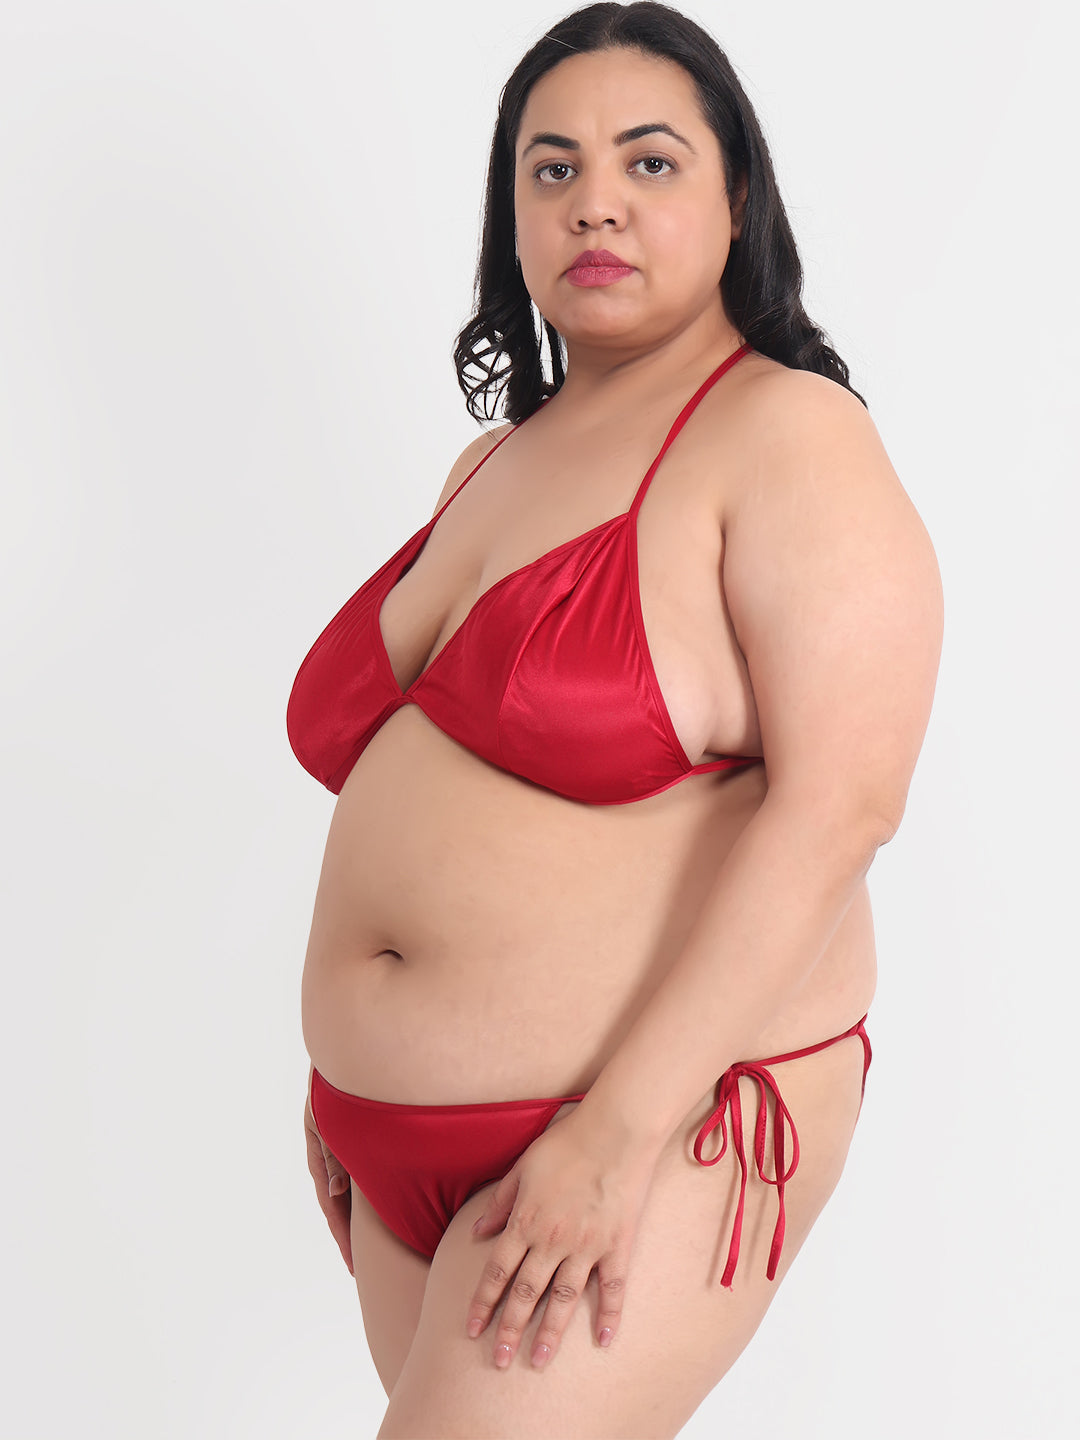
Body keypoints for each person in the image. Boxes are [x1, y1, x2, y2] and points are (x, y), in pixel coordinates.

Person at [289, 3, 943, 1435]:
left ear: (737, 198)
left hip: (658, 1123)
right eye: (552, 168)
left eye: (649, 162)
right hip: (395, 1154)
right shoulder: (489, 463)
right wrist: (346, 1073)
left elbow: (842, 807)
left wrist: (616, 1134)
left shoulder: (787, 433)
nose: (595, 201)